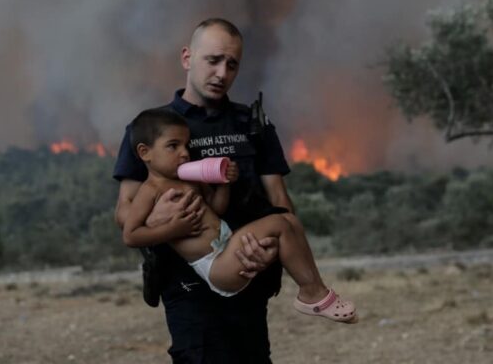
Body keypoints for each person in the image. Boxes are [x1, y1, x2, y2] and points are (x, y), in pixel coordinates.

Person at [113, 18, 296, 363]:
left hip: (247, 272)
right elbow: (124, 209)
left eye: (232, 64)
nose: (222, 73)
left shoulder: (253, 124)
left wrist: (275, 253)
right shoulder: (152, 128)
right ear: (187, 58)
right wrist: (161, 217)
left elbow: (280, 200)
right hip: (187, 282)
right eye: (212, 60)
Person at [122, 108, 357, 323]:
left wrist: (224, 183)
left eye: (186, 145)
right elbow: (131, 235)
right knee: (279, 222)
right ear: (145, 152)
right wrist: (173, 230)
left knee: (288, 220)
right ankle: (312, 293)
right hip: (215, 265)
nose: (184, 153)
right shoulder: (149, 191)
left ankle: (312, 288)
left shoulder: (191, 178)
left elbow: (217, 209)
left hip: (228, 243)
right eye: (173, 146)